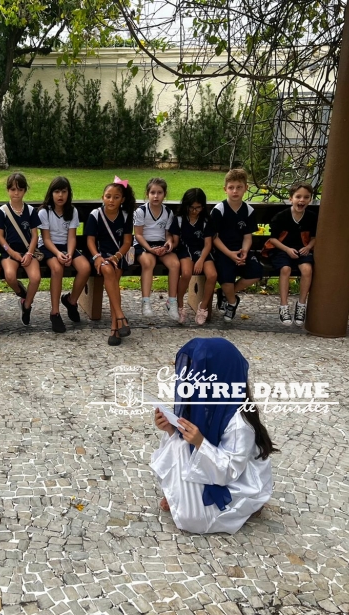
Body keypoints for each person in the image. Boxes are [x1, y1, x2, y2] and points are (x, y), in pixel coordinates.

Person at [150, 338, 276, 534]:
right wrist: (170, 429)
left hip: (235, 483)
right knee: (178, 444)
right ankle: (176, 491)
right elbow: (185, 445)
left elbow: (230, 470)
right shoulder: (201, 403)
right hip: (209, 469)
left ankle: (247, 507)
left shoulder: (239, 424)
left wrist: (200, 442)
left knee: (192, 520)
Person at [85, 178, 135, 346]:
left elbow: (127, 242)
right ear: (102, 197)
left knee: (113, 278)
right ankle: (120, 318)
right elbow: (90, 241)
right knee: (107, 271)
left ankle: (116, 327)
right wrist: (97, 257)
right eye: (108, 196)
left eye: (116, 197)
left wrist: (116, 257)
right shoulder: (95, 215)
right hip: (99, 255)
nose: (111, 200)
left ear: (122, 200)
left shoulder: (126, 216)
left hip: (119, 255)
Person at [38, 176, 91, 333]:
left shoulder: (72, 211)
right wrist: (58, 254)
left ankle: (71, 301)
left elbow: (72, 236)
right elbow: (46, 239)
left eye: (64, 191)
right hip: (49, 247)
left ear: (68, 193)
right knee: (57, 269)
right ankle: (55, 312)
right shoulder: (44, 212)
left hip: (67, 246)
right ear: (51, 193)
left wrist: (68, 253)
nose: (60, 195)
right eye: (57, 191)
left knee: (85, 268)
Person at [211, 168, 263, 322]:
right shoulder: (219, 210)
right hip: (223, 251)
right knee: (226, 279)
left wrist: (244, 252)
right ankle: (232, 302)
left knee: (256, 273)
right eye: (231, 187)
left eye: (239, 187)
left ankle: (225, 294)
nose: (235, 191)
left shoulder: (248, 211)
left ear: (246, 188)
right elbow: (214, 237)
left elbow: (247, 236)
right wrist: (230, 254)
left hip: (241, 251)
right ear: (225, 189)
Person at [263, 182, 316, 326]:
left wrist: (309, 247)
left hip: (302, 249)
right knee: (285, 269)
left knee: (307, 269)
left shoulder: (311, 217)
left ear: (310, 199)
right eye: (298, 197)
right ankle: (284, 306)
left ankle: (301, 305)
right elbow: (273, 239)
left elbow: (314, 238)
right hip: (282, 249)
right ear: (291, 198)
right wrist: (286, 249)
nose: (302, 200)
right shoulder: (282, 216)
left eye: (306, 197)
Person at [0, 172, 41, 326]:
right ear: (8, 190)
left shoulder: (31, 211)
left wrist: (29, 253)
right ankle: (21, 293)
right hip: (9, 252)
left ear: (25, 191)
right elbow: (0, 237)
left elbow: (34, 235)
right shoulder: (2, 212)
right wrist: (11, 252)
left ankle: (26, 306)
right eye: (13, 189)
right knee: (10, 276)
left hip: (28, 251)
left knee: (35, 278)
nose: (16, 193)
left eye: (20, 189)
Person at [133, 177, 181, 321]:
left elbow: (168, 235)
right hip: (143, 244)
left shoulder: (168, 212)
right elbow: (139, 235)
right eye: (152, 192)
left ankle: (172, 302)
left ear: (164, 194)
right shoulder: (141, 211)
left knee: (175, 264)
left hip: (160, 245)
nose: (156, 196)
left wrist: (168, 244)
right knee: (148, 263)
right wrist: (150, 249)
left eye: (159, 192)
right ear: (147, 193)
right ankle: (146, 302)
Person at [173, 188, 218, 325]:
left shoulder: (205, 221)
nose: (194, 211)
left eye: (198, 208)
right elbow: (175, 241)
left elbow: (208, 244)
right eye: (191, 207)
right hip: (185, 250)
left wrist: (200, 260)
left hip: (202, 251)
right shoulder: (179, 219)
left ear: (203, 207)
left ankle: (203, 307)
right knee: (186, 273)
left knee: (212, 275)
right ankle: (179, 304)